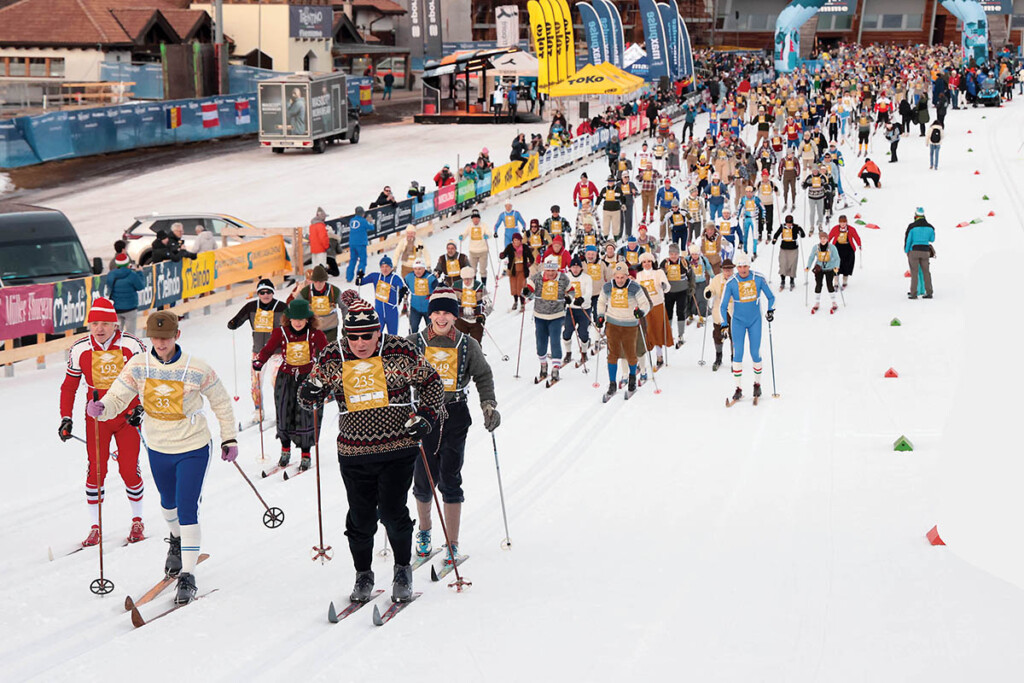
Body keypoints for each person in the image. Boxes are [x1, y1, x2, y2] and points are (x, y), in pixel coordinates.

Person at [296, 298, 446, 604]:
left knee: (392, 512)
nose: (360, 343)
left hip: (397, 448)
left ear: (378, 332)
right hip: (354, 452)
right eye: (354, 336)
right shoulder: (332, 356)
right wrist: (308, 393)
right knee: (361, 518)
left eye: (367, 336)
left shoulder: (399, 350)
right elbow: (309, 395)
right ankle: (363, 574)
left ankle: (402, 569)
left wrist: (427, 417)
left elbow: (431, 381)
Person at [86, 311, 237, 604]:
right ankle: (177, 541)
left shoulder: (197, 368)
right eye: (155, 338)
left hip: (192, 446)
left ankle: (188, 576)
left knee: (187, 506)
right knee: (168, 504)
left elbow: (221, 402)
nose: (161, 343)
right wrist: (103, 408)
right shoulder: (138, 365)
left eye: (166, 338)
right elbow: (118, 395)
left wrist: (228, 437)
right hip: (157, 446)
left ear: (176, 336)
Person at [409, 288, 499, 568]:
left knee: (450, 477)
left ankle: (452, 542)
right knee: (423, 479)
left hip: (455, 412)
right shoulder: (414, 343)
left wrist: (489, 405)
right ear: (430, 314)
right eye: (436, 311)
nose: (441, 317)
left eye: (447, 312)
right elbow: (393, 375)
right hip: (422, 415)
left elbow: (483, 375)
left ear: (454, 315)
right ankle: (424, 531)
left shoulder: (467, 344)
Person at [59, 298, 148, 546]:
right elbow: (69, 387)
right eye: (95, 323)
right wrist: (66, 417)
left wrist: (141, 407)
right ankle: (95, 526)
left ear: (115, 324)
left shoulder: (131, 345)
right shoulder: (80, 349)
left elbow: (147, 380)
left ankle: (137, 520)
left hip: (126, 417)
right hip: (97, 418)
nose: (99, 328)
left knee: (129, 469)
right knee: (96, 471)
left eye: (105, 323)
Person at [253, 298, 328, 469]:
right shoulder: (281, 332)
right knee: (284, 412)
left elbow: (326, 353)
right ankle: (285, 450)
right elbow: (268, 349)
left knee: (305, 414)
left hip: (307, 378)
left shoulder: (316, 334)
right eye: (295, 319)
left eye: (302, 319)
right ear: (289, 318)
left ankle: (306, 453)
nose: (298, 322)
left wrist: (329, 368)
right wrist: (259, 361)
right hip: (286, 378)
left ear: (308, 319)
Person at [226, 279, 288, 422]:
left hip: (277, 351)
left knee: (276, 381)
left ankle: (282, 410)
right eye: (262, 292)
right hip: (259, 351)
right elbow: (238, 319)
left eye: (268, 292)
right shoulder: (251, 307)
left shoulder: (282, 307)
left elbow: (295, 324)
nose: (265, 295)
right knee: (255, 382)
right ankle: (258, 410)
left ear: (273, 292)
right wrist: (233, 323)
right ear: (258, 294)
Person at [719, 251, 775, 404]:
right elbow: (723, 306)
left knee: (755, 352)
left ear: (749, 266)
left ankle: (757, 385)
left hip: (755, 320)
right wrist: (724, 324)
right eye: (740, 266)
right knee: (738, 353)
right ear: (737, 267)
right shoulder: (731, 282)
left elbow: (771, 297)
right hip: (737, 321)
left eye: (745, 266)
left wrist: (770, 310)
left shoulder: (758, 278)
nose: (743, 269)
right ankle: (738, 389)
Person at [595, 262, 651, 399]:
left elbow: (645, 304)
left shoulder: (635, 288)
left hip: (630, 324)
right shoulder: (607, 287)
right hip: (613, 323)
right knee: (612, 354)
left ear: (627, 276)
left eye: (622, 277)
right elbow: (601, 302)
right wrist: (601, 315)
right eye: (617, 277)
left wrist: (641, 312)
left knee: (630, 353)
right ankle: (612, 383)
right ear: (614, 276)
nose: (620, 280)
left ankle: (632, 379)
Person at [522, 256, 572, 384]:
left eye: (553, 270)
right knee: (540, 342)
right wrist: (526, 292)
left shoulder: (563, 278)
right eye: (548, 270)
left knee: (555, 340)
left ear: (557, 269)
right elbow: (530, 293)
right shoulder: (537, 278)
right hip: (540, 315)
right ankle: (543, 365)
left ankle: (555, 368)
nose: (550, 273)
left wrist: (569, 299)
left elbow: (571, 292)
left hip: (556, 315)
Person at [635, 252, 672, 367]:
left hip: (657, 304)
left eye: (649, 261)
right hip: (645, 306)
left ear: (652, 262)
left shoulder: (658, 272)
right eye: (644, 262)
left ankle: (659, 355)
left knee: (657, 330)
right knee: (647, 331)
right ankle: (641, 359)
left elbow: (667, 286)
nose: (647, 264)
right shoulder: (639, 275)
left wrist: (664, 286)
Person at [294, 265, 344, 343]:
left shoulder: (334, 291)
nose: (318, 284)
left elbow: (345, 307)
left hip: (331, 329)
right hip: (313, 329)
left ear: (325, 280)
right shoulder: (306, 292)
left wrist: (346, 326)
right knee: (315, 353)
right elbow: (296, 308)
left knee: (330, 351)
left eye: (321, 281)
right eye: (315, 281)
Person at [357, 256, 407, 335]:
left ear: (391, 267)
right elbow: (360, 282)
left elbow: (402, 287)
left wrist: (402, 291)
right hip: (379, 313)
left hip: (391, 313)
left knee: (393, 337)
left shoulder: (395, 278)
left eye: (387, 266)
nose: (384, 269)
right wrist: (359, 276)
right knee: (376, 336)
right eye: (382, 267)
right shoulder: (375, 276)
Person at [704, 258, 735, 372]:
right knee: (717, 334)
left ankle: (734, 359)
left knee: (734, 335)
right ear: (722, 270)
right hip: (719, 310)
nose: (728, 272)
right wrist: (708, 293)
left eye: (730, 270)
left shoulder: (737, 279)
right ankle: (718, 357)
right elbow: (710, 289)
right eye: (726, 270)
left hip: (732, 311)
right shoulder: (717, 279)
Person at [105, 253, 145, 335]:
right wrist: (140, 273)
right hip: (130, 308)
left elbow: (109, 287)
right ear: (128, 263)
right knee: (131, 334)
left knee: (117, 334)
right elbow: (140, 287)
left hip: (116, 308)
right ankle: (130, 347)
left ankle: (118, 347)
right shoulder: (132, 275)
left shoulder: (111, 275)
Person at [563, 257, 593, 363]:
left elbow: (589, 292)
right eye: (573, 267)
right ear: (570, 268)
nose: (575, 269)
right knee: (567, 332)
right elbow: (563, 291)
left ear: (581, 268)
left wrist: (582, 299)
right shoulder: (566, 277)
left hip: (583, 307)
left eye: (577, 267)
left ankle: (584, 352)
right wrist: (565, 299)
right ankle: (568, 353)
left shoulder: (587, 278)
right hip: (571, 308)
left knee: (583, 332)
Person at [805, 231, 841, 314]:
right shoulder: (816, 247)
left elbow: (837, 258)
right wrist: (808, 266)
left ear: (827, 239)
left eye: (824, 238)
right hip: (819, 268)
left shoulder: (832, 247)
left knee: (829, 285)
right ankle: (817, 303)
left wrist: (836, 267)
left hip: (829, 268)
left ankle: (834, 302)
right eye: (821, 239)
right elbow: (811, 257)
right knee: (818, 284)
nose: (823, 240)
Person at [905, 207, 935, 299]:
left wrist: (907, 251)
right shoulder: (930, 227)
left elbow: (908, 240)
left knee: (914, 273)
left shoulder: (912, 227)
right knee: (926, 272)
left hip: (914, 251)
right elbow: (932, 239)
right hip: (925, 252)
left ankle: (914, 293)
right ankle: (929, 292)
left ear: (916, 215)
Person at [453, 266, 489, 343]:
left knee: (475, 345)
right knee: (459, 343)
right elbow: (450, 302)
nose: (466, 281)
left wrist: (483, 315)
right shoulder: (456, 286)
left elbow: (488, 305)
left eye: (469, 279)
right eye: (465, 279)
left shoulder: (480, 287)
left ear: (473, 277)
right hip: (461, 320)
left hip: (476, 321)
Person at [499, 232, 534, 311]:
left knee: (521, 287)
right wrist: (502, 255)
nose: (517, 242)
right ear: (513, 241)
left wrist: (528, 264)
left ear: (521, 240)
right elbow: (504, 254)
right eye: (515, 240)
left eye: (518, 240)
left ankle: (522, 303)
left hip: (522, 269)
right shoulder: (510, 247)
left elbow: (531, 258)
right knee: (514, 287)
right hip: (513, 270)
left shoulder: (524, 247)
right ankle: (515, 301)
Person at [403, 259, 438, 334]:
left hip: (429, 309)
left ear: (424, 268)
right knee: (413, 328)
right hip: (415, 308)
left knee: (431, 330)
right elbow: (403, 288)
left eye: (420, 269)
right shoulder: (409, 277)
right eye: (415, 269)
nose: (417, 271)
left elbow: (438, 289)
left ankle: (431, 344)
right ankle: (411, 343)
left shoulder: (430, 277)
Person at [827, 215, 862, 290]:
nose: (843, 224)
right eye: (841, 222)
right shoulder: (835, 228)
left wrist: (859, 245)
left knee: (846, 265)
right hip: (837, 249)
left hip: (848, 249)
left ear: (846, 222)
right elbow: (829, 237)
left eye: (844, 222)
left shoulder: (851, 229)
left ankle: (845, 281)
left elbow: (856, 237)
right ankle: (836, 282)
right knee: (836, 266)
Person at [771, 214, 805, 291]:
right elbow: (777, 234)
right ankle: (782, 280)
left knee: (793, 265)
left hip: (793, 249)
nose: (789, 225)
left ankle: (792, 280)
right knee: (783, 264)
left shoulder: (796, 227)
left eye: (790, 223)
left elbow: (803, 235)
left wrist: (800, 231)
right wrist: (774, 239)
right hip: (784, 248)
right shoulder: (782, 226)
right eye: (787, 223)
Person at [460, 209, 493, 286]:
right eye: (474, 218)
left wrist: (487, 235)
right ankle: (474, 286)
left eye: (477, 218)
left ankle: (483, 286)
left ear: (479, 218)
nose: (475, 220)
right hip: (473, 251)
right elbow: (465, 233)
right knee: (472, 270)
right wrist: (462, 236)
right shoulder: (469, 226)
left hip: (483, 251)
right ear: (472, 219)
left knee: (483, 270)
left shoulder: (483, 225)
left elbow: (489, 233)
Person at [345, 206, 374, 284]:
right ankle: (360, 276)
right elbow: (372, 227)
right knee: (362, 260)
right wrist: (370, 221)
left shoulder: (352, 220)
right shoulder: (363, 221)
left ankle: (349, 277)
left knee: (352, 260)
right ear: (362, 213)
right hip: (361, 243)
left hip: (352, 243)